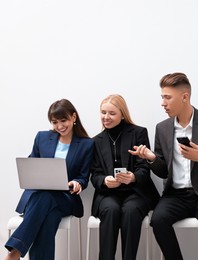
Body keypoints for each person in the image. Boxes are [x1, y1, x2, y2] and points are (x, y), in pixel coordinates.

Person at [130, 72, 198, 260]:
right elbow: (163, 172)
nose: (163, 103)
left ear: (185, 97)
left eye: (167, 97)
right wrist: (152, 158)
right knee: (158, 219)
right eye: (162, 97)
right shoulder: (162, 128)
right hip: (176, 195)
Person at [4, 99, 94, 260]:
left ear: (74, 117)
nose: (59, 126)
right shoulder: (42, 137)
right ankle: (16, 251)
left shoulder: (87, 144)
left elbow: (83, 177)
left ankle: (15, 251)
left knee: (46, 198)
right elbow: (32, 163)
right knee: (48, 218)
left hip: (66, 198)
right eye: (55, 122)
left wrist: (77, 183)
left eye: (63, 120)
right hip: (41, 199)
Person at [90, 94, 159, 260]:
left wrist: (133, 177)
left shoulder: (138, 133)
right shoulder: (96, 141)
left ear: (122, 114)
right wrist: (104, 181)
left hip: (136, 192)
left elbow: (144, 167)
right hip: (108, 194)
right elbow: (95, 174)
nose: (106, 117)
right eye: (103, 112)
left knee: (130, 211)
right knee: (110, 210)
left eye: (112, 113)